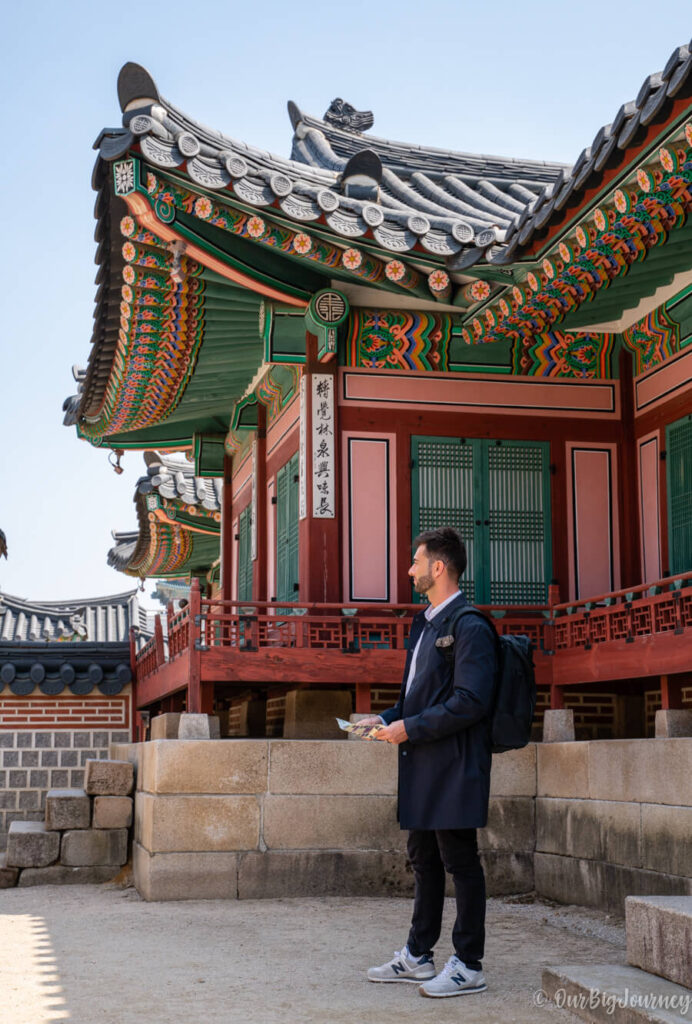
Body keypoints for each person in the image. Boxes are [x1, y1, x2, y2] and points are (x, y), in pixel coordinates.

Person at [360, 526, 497, 999]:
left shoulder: (470, 625)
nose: (411, 569)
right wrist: (385, 718)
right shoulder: (426, 624)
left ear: (439, 567)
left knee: (461, 860)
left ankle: (469, 964)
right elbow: (417, 697)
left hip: (455, 763)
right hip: (422, 760)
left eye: (416, 561)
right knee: (423, 857)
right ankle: (419, 956)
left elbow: (471, 701)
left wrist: (410, 728)